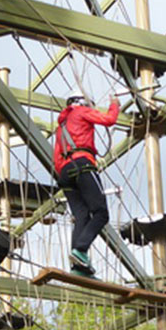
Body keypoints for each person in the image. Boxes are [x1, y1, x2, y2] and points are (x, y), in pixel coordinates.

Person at [53, 92, 121, 277]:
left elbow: (56, 158)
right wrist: (114, 104)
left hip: (65, 173)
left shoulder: (61, 126)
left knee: (81, 216)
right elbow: (109, 119)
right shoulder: (81, 112)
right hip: (82, 164)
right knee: (100, 213)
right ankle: (81, 250)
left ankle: (78, 266)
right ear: (82, 102)